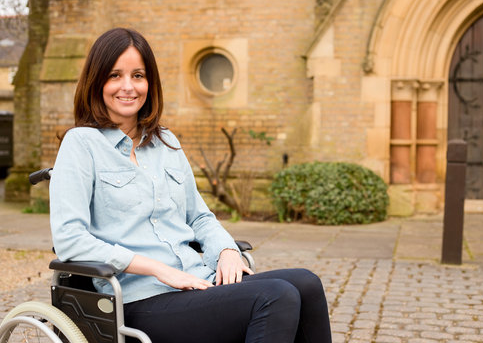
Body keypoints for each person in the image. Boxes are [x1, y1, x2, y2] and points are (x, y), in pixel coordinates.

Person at [50, 27, 332, 343]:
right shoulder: (82, 144)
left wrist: (226, 250)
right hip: (138, 298)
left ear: (150, 83)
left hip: (196, 283)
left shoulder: (165, 142)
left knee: (306, 283)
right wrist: (158, 269)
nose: (128, 86)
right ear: (96, 81)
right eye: (115, 75)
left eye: (138, 76)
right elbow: (70, 240)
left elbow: (198, 216)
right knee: (275, 295)